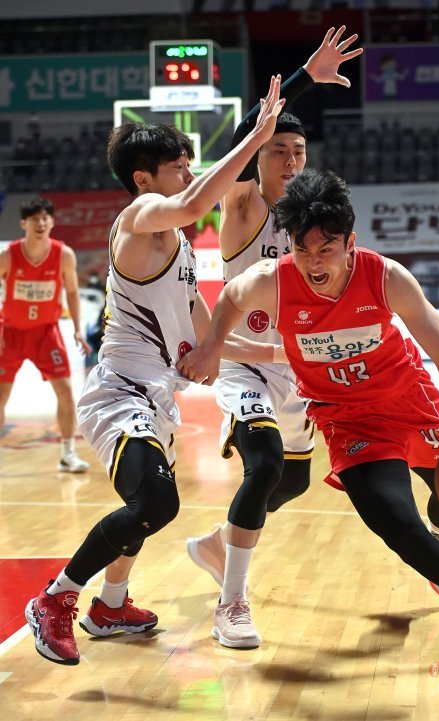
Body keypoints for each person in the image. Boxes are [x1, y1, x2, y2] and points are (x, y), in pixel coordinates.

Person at [177, 168, 439, 672]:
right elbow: (231, 298)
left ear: (350, 243)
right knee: (404, 534)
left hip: (411, 402)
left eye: (327, 249)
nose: (314, 262)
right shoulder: (272, 282)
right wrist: (212, 346)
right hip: (350, 423)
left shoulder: (386, 277)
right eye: (303, 249)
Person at [24, 76, 286, 666]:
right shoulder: (138, 215)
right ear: (144, 180)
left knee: (144, 507)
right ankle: (56, 598)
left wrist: (284, 356)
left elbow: (209, 342)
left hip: (156, 396)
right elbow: (195, 204)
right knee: (155, 502)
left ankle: (111, 605)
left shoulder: (182, 247)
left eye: (190, 165)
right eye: (179, 167)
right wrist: (254, 139)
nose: (189, 175)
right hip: (119, 393)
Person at [184, 26, 366, 650]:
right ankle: (232, 603)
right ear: (259, 156)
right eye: (278, 150)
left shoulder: (310, 223)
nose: (290, 161)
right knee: (262, 466)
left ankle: (218, 543)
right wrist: (303, 79)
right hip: (242, 365)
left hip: (296, 367)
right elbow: (243, 140)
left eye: (299, 152)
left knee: (291, 481)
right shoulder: (241, 205)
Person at [0, 197, 91, 471]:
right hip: (11, 333)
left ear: (52, 222)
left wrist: (77, 329)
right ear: (23, 223)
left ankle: (68, 455)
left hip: (46, 333)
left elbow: (72, 291)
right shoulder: (8, 255)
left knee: (65, 391)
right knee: (1, 396)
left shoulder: (64, 255)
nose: (40, 223)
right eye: (34, 219)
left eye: (45, 218)